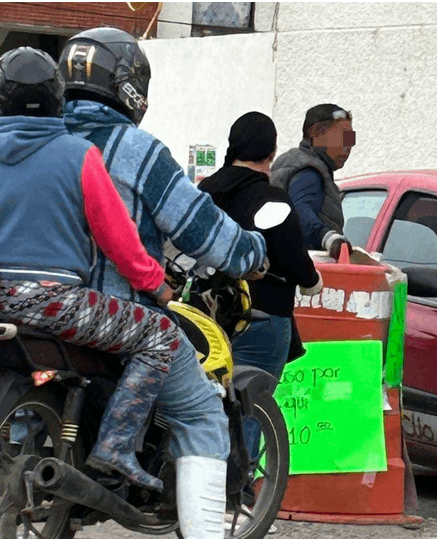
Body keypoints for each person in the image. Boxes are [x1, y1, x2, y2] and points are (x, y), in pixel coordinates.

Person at [58, 28, 267, 539]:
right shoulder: (139, 152)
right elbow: (203, 231)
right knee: (201, 414)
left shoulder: (40, 139)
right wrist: (251, 253)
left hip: (35, 310)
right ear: (131, 87)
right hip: (112, 317)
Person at [0, 46, 178, 492]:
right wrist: (156, 286)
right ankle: (115, 446)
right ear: (57, 97)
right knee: (160, 336)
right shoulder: (77, 155)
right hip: (55, 303)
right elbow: (119, 239)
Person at [199, 111, 322, 456]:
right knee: (250, 409)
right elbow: (296, 260)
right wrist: (313, 281)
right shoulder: (272, 200)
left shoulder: (204, 193)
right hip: (261, 317)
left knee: (203, 407)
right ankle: (238, 494)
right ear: (270, 154)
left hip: (204, 316)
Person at [271, 103, 356, 259]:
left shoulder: (289, 161)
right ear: (317, 133)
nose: (349, 145)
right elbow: (300, 211)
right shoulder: (309, 171)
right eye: (343, 136)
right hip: (302, 273)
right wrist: (328, 238)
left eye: (351, 138)